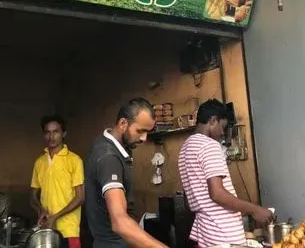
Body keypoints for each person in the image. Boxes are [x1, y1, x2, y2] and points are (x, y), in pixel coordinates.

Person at [178, 99, 273, 248]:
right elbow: (217, 194)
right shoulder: (209, 145)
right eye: (222, 127)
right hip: (222, 231)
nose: (222, 133)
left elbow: (189, 199)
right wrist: (255, 210)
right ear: (213, 120)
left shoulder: (185, 148)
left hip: (205, 231)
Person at [84, 98, 168, 248]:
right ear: (123, 124)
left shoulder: (110, 145)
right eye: (140, 131)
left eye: (147, 132)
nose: (144, 138)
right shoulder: (108, 157)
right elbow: (120, 222)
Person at [31, 115, 85, 248]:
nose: (51, 136)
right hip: (46, 230)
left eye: (56, 132)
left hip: (68, 230)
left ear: (63, 134)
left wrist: (55, 217)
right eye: (47, 132)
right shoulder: (39, 162)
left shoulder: (74, 160)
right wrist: (41, 210)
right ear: (44, 135)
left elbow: (80, 198)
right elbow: (32, 196)